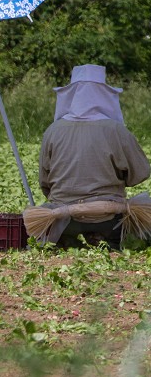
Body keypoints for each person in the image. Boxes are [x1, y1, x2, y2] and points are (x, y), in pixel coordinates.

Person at [34, 64, 149, 248]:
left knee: (65, 241)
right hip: (108, 219)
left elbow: (45, 182)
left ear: (71, 95)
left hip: (63, 219)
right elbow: (140, 174)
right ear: (104, 95)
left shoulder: (52, 131)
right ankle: (105, 240)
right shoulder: (116, 130)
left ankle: (69, 240)